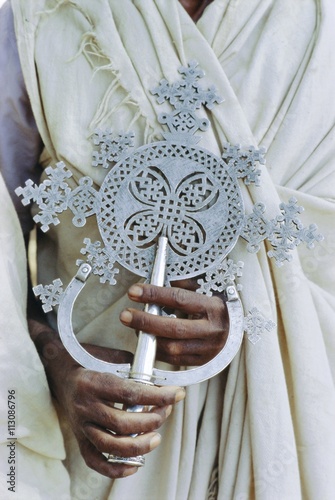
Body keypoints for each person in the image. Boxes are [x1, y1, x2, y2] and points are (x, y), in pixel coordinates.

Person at [0, 0, 334, 499]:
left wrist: (260, 316)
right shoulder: (35, 21)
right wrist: (54, 365)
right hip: (90, 462)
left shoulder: (320, 32)